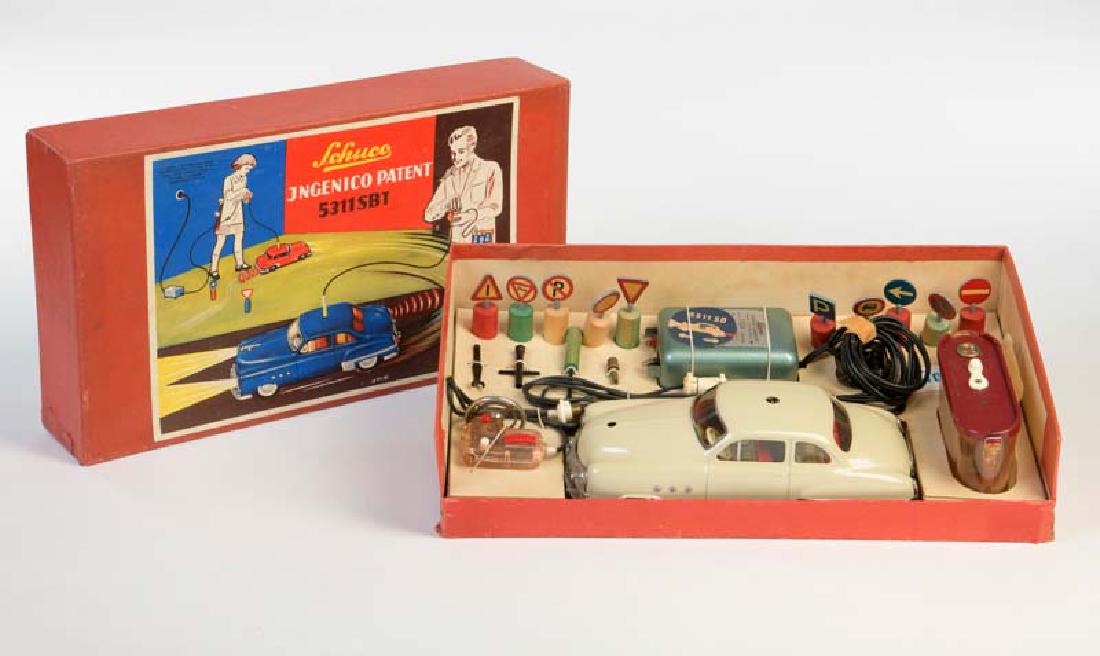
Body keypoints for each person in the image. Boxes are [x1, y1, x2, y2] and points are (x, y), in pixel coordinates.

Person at [423, 126, 503, 243]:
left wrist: (473, 215)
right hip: (457, 243)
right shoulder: (449, 175)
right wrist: (445, 205)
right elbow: (428, 215)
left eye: (461, 152)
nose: (455, 158)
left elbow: (496, 207)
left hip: (481, 239)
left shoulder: (490, 168)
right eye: (453, 153)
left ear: (472, 148)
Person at [210, 153, 256, 278]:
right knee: (220, 242)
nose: (247, 172)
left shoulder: (244, 179)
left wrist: (247, 197)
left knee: (239, 239)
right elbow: (228, 196)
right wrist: (242, 191)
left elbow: (241, 198)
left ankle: (239, 263)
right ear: (240, 166)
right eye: (247, 168)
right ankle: (213, 269)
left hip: (238, 214)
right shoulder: (228, 179)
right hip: (227, 215)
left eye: (249, 169)